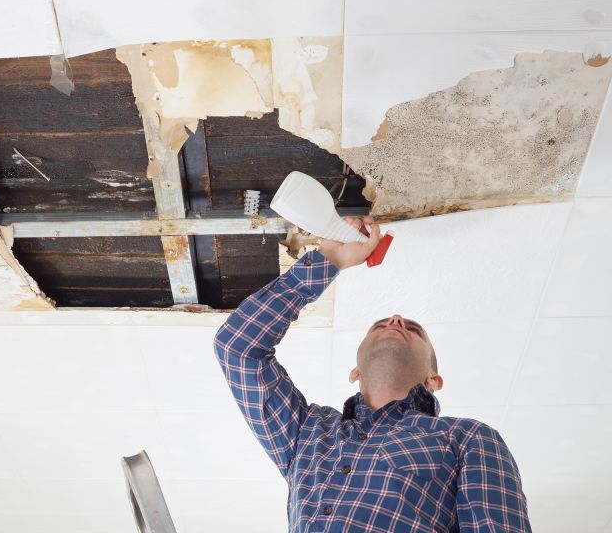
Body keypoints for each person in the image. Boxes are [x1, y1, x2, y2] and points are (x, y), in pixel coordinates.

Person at [214, 216, 531, 532]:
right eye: (380, 325)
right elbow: (237, 348)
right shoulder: (309, 432)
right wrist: (329, 260)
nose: (395, 319)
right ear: (355, 372)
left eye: (413, 329)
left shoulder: (465, 438)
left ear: (433, 379)